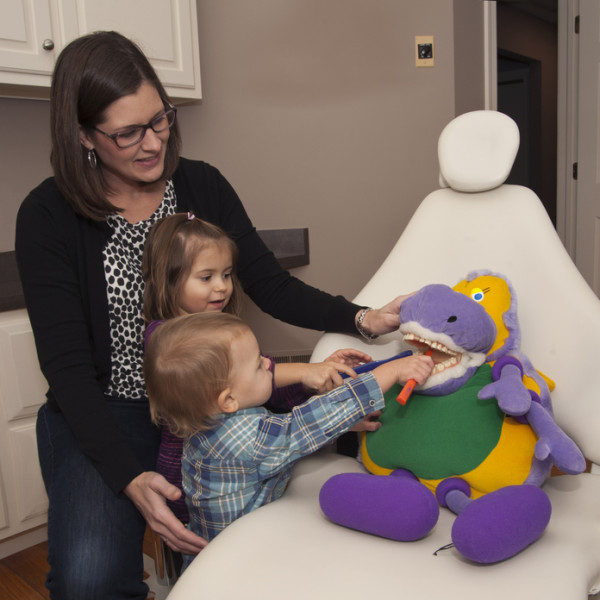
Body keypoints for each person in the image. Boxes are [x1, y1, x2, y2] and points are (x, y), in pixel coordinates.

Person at [14, 30, 414, 599]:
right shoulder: (46, 215)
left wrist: (365, 319)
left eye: (161, 120)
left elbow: (270, 285)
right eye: (128, 132)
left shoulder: (200, 183)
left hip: (210, 400)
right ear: (83, 135)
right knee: (89, 580)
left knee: (236, 551)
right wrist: (128, 478)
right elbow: (67, 367)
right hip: (105, 411)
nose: (153, 143)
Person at [143, 312, 434, 568]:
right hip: (238, 563)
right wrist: (390, 371)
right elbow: (301, 425)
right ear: (228, 399)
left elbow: (282, 438)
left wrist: (343, 427)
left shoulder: (205, 420)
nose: (269, 366)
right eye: (258, 365)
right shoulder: (245, 439)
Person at [142, 212, 378, 526]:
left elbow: (262, 390)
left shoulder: (220, 329)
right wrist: (309, 373)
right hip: (199, 494)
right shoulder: (169, 342)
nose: (221, 288)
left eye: (226, 275)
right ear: (169, 280)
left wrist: (317, 380)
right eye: (206, 277)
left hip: (246, 483)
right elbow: (261, 392)